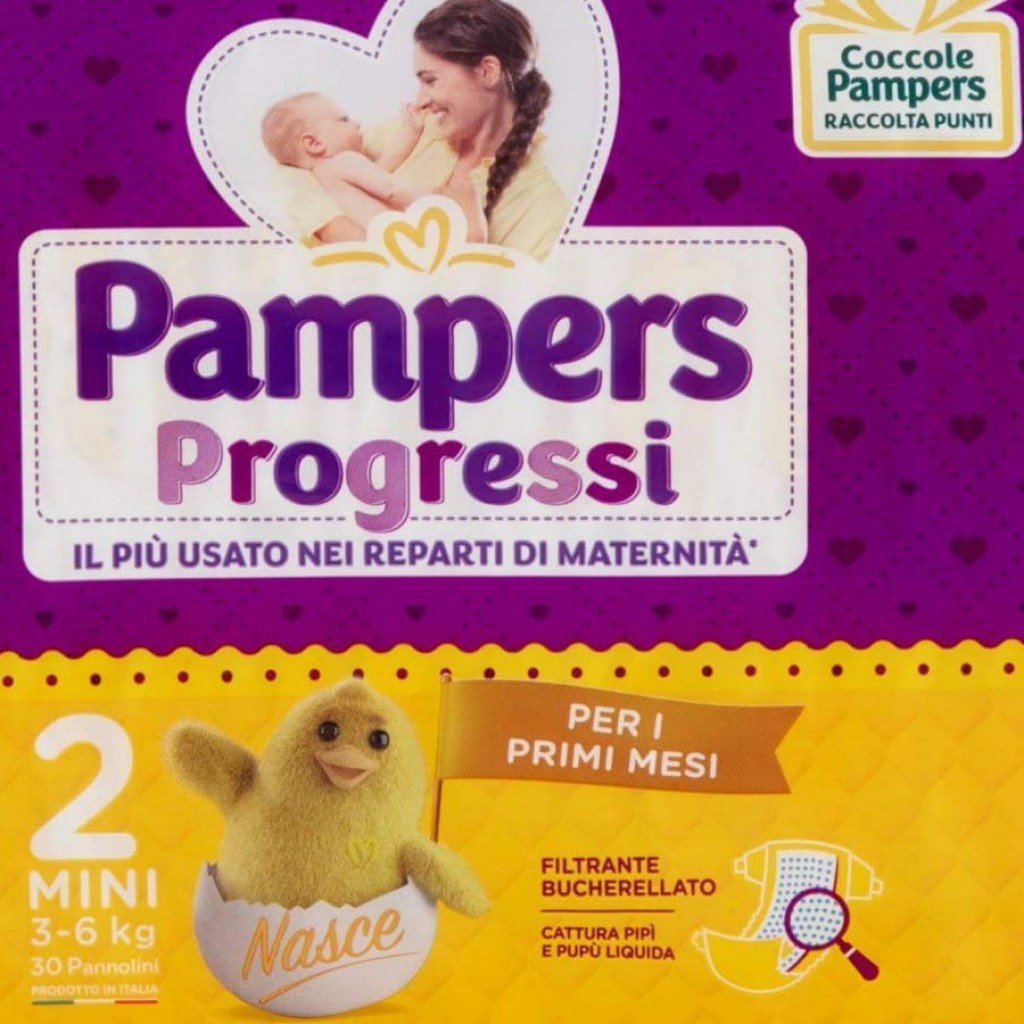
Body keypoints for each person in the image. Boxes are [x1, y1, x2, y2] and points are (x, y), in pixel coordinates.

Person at [282, 0, 569, 260]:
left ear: (487, 71)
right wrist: (337, 229)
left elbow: (503, 292)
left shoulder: (542, 206)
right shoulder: (409, 131)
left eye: (430, 80)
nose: (421, 99)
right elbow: (290, 166)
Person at [261, 91, 486, 240]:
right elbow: (390, 188)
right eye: (344, 120)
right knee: (465, 233)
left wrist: (411, 131)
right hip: (399, 238)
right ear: (314, 143)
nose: (357, 123)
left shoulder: (324, 175)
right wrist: (441, 197)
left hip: (380, 242)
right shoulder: (345, 160)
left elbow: (381, 169)